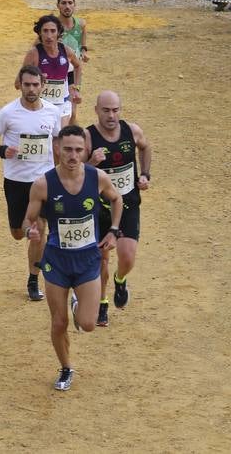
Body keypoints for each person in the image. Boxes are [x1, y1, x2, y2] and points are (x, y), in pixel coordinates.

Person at [22, 125, 122, 390]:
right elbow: (28, 220)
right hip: (56, 262)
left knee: (88, 324)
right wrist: (30, 231)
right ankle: (66, 368)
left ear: (85, 150)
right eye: (67, 149)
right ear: (57, 148)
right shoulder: (43, 184)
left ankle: (78, 306)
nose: (73, 156)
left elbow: (117, 199)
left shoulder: (97, 177)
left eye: (78, 150)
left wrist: (113, 231)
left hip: (88, 260)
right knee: (59, 322)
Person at [0, 65, 61, 301]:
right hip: (16, 181)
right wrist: (2, 150)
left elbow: (57, 140)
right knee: (19, 233)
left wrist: (58, 171)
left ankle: (33, 279)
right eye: (27, 84)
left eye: (35, 85)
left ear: (43, 85)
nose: (31, 89)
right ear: (20, 85)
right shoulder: (7, 113)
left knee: (39, 229)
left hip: (42, 181)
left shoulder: (52, 112)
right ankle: (25, 235)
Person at [84, 92, 152, 328]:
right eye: (106, 110)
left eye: (115, 110)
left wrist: (145, 174)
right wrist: (91, 163)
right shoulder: (88, 137)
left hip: (128, 203)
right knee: (102, 259)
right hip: (100, 208)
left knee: (128, 257)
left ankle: (120, 279)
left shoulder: (132, 131)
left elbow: (145, 147)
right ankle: (102, 302)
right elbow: (73, 171)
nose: (111, 115)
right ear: (96, 110)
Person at [18, 14, 82, 127]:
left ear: (59, 33)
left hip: (62, 104)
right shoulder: (33, 54)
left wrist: (76, 88)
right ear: (39, 33)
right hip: (40, 106)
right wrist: (36, 79)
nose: (49, 36)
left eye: (53, 31)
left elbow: (78, 66)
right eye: (45, 31)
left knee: (61, 136)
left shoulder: (67, 51)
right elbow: (17, 84)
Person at [57, 0, 89, 124]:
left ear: (74, 5)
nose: (67, 6)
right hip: (57, 72)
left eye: (70, 3)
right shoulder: (53, 26)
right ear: (58, 5)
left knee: (72, 113)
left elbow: (83, 37)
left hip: (74, 71)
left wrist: (83, 50)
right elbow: (36, 45)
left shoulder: (80, 24)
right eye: (63, 3)